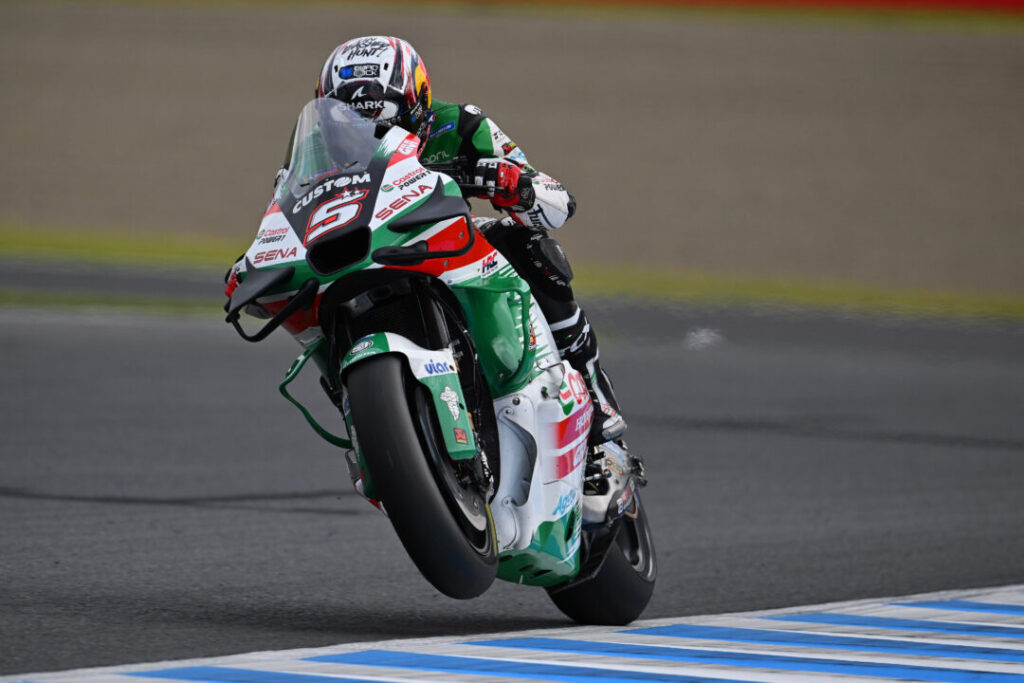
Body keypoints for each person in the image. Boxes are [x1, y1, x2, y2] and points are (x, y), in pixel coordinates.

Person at [300, 36, 628, 448]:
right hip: (365, 255)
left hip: (445, 244)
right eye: (349, 126)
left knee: (529, 247)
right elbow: (289, 212)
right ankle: (366, 418)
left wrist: (515, 185)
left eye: (383, 124)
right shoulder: (313, 152)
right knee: (311, 302)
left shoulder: (460, 124)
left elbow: (559, 203)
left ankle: (593, 390)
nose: (368, 137)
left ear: (419, 108)